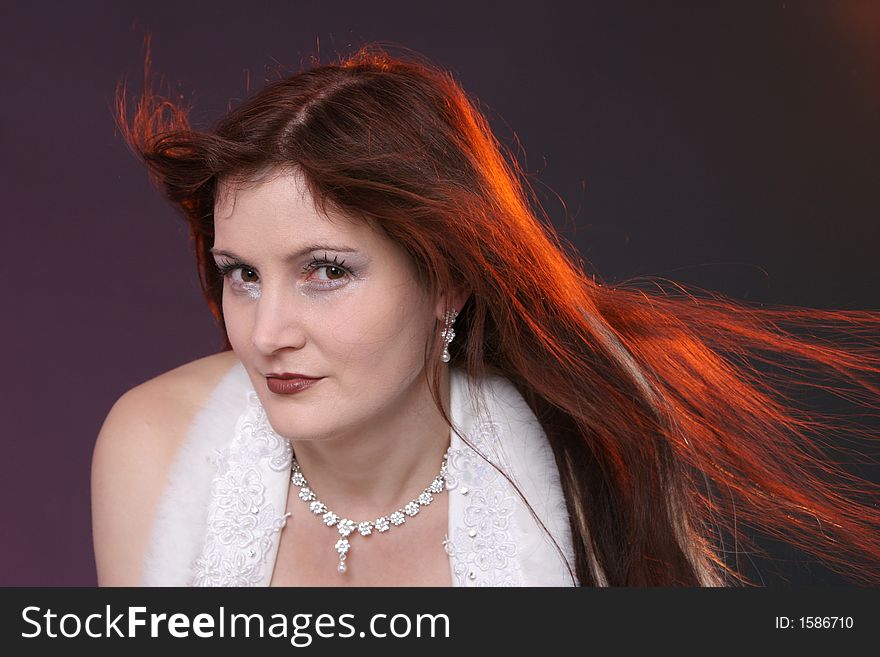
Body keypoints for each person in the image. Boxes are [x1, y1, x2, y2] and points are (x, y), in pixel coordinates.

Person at [92, 40, 880, 587]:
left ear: (448, 281)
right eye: (243, 276)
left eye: (326, 271)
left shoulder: (586, 457)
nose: (267, 335)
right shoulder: (156, 444)